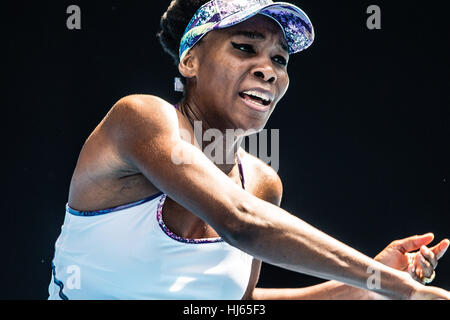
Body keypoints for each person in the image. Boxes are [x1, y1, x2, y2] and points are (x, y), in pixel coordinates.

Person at [48, 0, 450, 300]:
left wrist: (373, 283)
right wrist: (403, 290)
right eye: (245, 47)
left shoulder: (261, 184)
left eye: (280, 58)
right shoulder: (139, 118)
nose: (269, 69)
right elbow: (240, 222)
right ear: (189, 61)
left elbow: (239, 305)